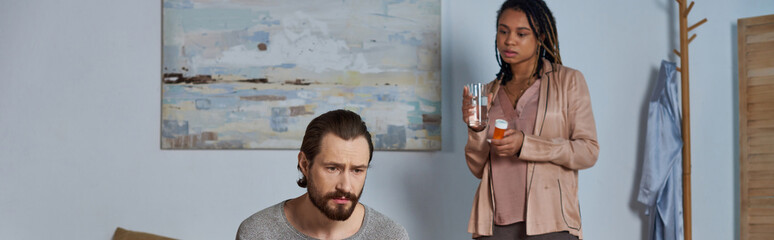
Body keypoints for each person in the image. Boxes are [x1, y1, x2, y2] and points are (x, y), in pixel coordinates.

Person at [461, 0, 599, 239]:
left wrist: (526, 145)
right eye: (503, 31)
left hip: (552, 222)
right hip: (494, 224)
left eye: (521, 33)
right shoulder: (484, 93)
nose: (509, 40)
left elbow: (588, 151)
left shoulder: (568, 82)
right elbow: (478, 168)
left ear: (540, 37)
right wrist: (476, 129)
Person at [237, 109, 409, 240]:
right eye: (333, 168)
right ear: (304, 164)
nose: (346, 186)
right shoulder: (258, 233)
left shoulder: (390, 235)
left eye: (357, 170)